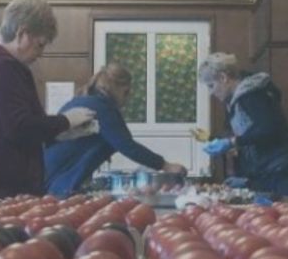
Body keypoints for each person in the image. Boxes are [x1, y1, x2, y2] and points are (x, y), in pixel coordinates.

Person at [0, 0, 96, 203]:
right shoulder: (2, 67)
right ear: (22, 34)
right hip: (0, 192)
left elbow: (5, 126)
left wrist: (62, 133)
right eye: (40, 44)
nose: (41, 53)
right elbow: (19, 126)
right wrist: (66, 120)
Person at [44, 63, 187, 198]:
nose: (128, 98)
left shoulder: (81, 100)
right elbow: (129, 147)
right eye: (126, 92)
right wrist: (166, 165)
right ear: (114, 87)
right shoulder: (102, 108)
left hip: (48, 175)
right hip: (60, 181)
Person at [198, 53, 288, 198]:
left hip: (285, 172)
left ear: (223, 78)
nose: (211, 92)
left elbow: (268, 130)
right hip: (270, 171)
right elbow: (251, 137)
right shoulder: (234, 102)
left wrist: (232, 142)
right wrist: (248, 181)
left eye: (211, 85)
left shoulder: (251, 96)